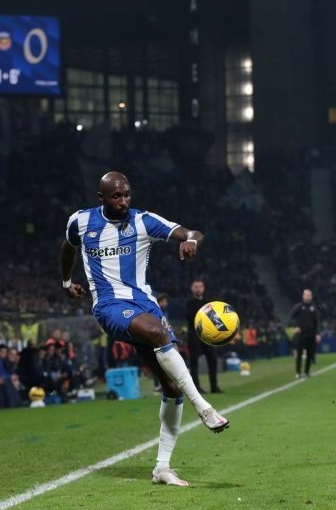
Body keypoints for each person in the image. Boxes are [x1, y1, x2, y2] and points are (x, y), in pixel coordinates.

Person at [60, 171, 229, 487]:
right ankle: (204, 407)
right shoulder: (81, 222)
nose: (123, 201)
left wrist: (191, 241)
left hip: (145, 304)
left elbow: (192, 232)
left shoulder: (143, 221)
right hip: (109, 305)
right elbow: (68, 248)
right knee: (156, 332)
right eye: (116, 196)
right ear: (102, 198)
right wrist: (67, 281)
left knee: (171, 388)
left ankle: (162, 467)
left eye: (127, 195)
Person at [185, 279, 222, 394]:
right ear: (192, 289)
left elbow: (215, 319)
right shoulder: (189, 302)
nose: (198, 288)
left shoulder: (208, 303)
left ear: (204, 288)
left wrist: (221, 330)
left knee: (213, 360)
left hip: (207, 335)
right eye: (196, 286)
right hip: (194, 335)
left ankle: (214, 386)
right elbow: (190, 318)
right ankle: (196, 387)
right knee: (194, 361)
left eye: (200, 286)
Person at [288, 288, 321, 378]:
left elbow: (317, 322)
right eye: (306, 295)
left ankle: (306, 372)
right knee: (299, 354)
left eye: (309, 295)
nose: (308, 296)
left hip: (311, 334)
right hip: (301, 334)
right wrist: (295, 327)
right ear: (303, 296)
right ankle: (298, 372)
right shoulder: (298, 307)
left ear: (311, 296)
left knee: (310, 354)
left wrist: (318, 334)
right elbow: (290, 317)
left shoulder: (314, 308)